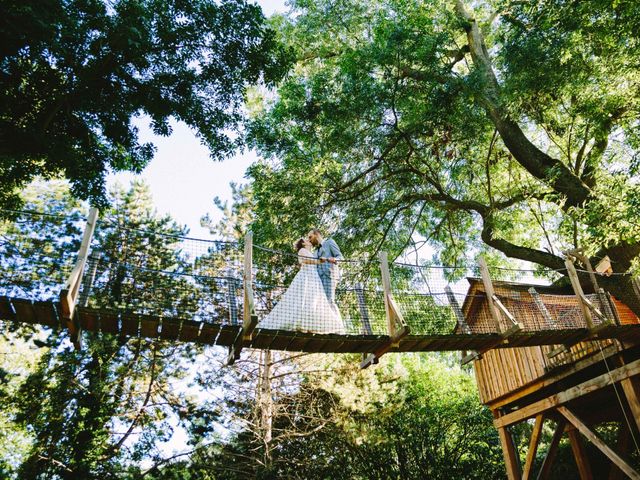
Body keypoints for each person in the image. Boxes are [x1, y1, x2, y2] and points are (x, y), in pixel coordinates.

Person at [258, 237, 345, 334]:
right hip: (306, 276)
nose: (309, 240)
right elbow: (304, 261)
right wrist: (319, 261)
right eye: (307, 240)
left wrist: (325, 260)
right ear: (303, 244)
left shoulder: (312, 252)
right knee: (303, 298)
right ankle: (301, 323)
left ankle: (309, 324)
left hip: (314, 278)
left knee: (311, 300)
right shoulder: (302, 250)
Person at [308, 228, 342, 311]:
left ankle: (336, 323)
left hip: (329, 276)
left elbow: (340, 257)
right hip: (318, 280)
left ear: (316, 235)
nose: (309, 240)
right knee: (320, 304)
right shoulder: (315, 251)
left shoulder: (330, 242)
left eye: (310, 237)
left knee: (329, 301)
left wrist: (334, 259)